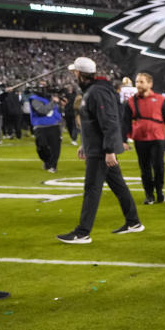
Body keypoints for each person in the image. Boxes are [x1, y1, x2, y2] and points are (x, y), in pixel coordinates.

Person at [57, 57, 143, 244]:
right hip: (98, 147)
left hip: (102, 150)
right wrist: (85, 145)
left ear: (79, 73)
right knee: (118, 185)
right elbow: (94, 124)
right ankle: (133, 221)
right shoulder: (95, 91)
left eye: (75, 73)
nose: (74, 75)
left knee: (92, 189)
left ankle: (83, 232)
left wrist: (110, 150)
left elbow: (109, 121)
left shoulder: (98, 92)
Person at [123, 72, 165, 204]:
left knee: (159, 166)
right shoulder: (131, 102)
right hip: (140, 138)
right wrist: (123, 140)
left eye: (141, 82)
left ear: (150, 84)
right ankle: (149, 195)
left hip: (157, 137)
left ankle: (159, 191)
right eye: (137, 81)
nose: (138, 84)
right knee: (145, 168)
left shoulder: (161, 99)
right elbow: (125, 122)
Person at [29, 85, 64, 172]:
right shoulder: (35, 99)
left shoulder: (51, 98)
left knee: (55, 147)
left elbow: (58, 110)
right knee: (41, 146)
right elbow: (42, 110)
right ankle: (47, 161)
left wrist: (61, 104)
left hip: (54, 125)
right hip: (41, 126)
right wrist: (53, 102)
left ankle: (53, 165)